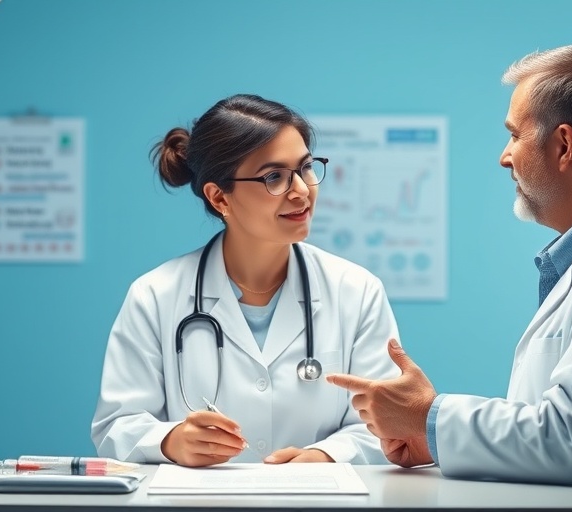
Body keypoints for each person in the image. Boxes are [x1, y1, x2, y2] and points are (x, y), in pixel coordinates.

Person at [327, 44, 572, 485]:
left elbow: (571, 443)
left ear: (563, 144)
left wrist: (429, 417)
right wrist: (436, 440)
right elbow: (558, 432)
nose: (505, 156)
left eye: (515, 135)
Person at [91, 94, 401, 467]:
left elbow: (385, 423)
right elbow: (116, 426)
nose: (301, 190)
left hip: (316, 503)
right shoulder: (155, 296)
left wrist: (324, 456)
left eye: (305, 168)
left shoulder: (356, 291)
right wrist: (171, 440)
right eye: (274, 177)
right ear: (220, 197)